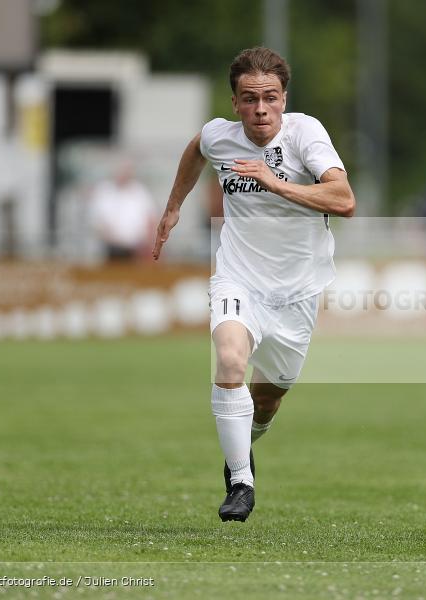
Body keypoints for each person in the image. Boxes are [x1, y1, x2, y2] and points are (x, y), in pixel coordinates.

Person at [152, 47, 355, 520]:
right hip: (238, 277)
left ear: (284, 100)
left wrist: (274, 182)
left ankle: (242, 444)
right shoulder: (218, 137)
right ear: (234, 102)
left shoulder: (307, 134)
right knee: (228, 359)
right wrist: (174, 206)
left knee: (267, 401)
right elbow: (196, 151)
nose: (260, 109)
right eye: (249, 99)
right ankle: (241, 480)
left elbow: (344, 200)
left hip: (298, 291)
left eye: (269, 98)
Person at [89, 160, 157, 261]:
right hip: (109, 249)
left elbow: (151, 219)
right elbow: (97, 221)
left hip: (136, 250)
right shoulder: (104, 191)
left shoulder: (140, 191)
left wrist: (147, 243)